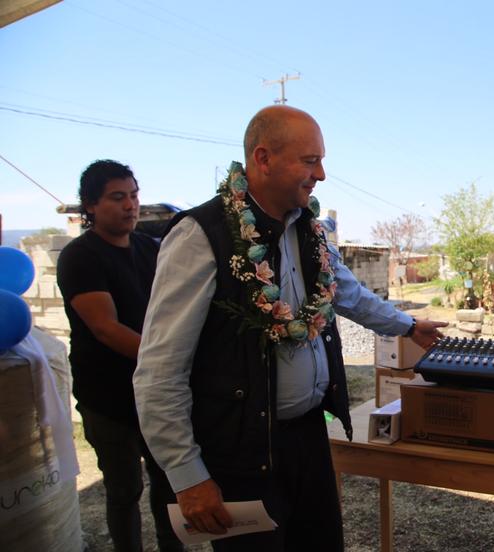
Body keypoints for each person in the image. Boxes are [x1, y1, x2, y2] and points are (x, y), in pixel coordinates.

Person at [133, 105, 447, 551]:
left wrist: (407, 324)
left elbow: (348, 293)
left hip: (308, 438)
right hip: (243, 451)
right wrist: (187, 477)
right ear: (263, 159)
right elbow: (159, 371)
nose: (320, 174)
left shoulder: (307, 230)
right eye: (309, 160)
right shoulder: (200, 235)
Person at [56, 160, 182, 552]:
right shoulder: (80, 257)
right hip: (108, 397)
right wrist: (167, 363)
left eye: (133, 195)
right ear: (90, 205)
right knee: (125, 488)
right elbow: (105, 328)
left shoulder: (149, 247)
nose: (130, 205)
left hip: (155, 393)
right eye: (117, 197)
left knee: (169, 484)